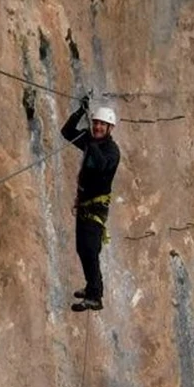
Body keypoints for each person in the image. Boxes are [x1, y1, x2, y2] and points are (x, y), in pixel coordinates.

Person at [61, 97, 120, 311]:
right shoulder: (90, 140)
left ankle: (95, 296)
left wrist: (91, 141)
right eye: (96, 123)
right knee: (82, 249)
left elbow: (102, 166)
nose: (97, 127)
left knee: (90, 250)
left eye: (102, 124)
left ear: (110, 128)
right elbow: (66, 133)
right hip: (85, 204)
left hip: (96, 207)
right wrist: (79, 113)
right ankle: (92, 287)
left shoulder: (112, 151)